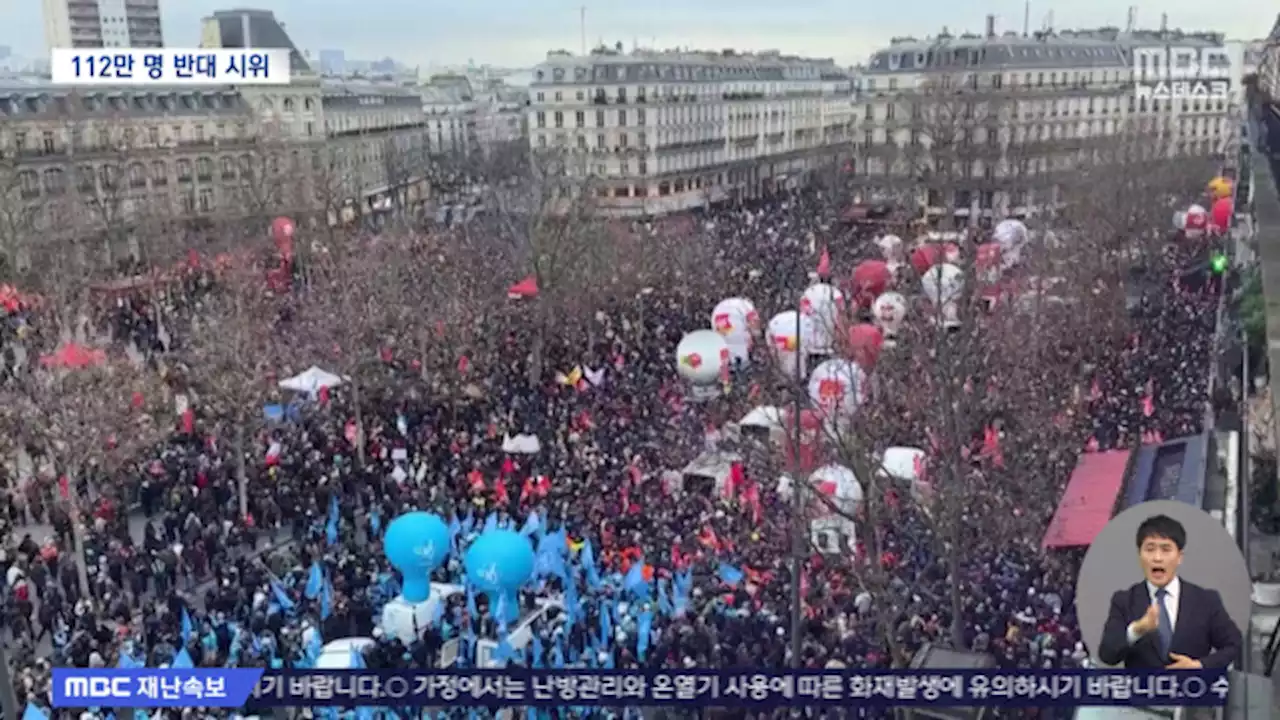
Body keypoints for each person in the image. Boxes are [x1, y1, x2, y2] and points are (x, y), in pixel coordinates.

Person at [1097, 514, 1241, 669]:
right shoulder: (1124, 601)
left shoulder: (1206, 600)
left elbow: (1233, 645)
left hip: (1193, 690)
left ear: (1179, 557)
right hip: (1143, 692)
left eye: (1166, 550)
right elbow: (1107, 655)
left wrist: (1199, 666)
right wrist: (1137, 630)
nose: (1157, 558)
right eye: (1150, 549)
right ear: (1140, 555)